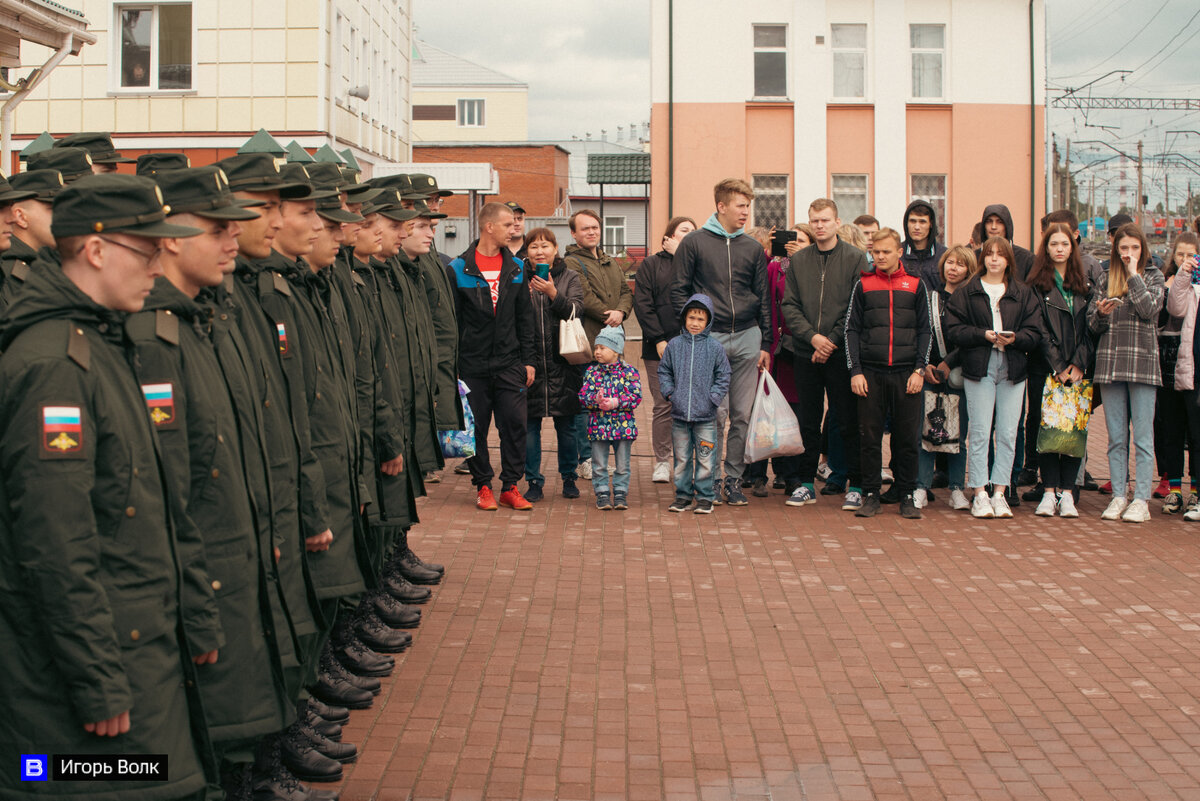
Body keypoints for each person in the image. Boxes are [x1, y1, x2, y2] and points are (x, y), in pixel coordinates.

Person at [0, 175, 218, 800]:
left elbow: (153, 503)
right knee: (100, 780)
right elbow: (55, 543)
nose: (158, 266)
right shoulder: (53, 365)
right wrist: (97, 679)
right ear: (95, 251)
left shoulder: (100, 339)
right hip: (90, 683)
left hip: (135, 652)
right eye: (146, 251)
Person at [124, 167, 306, 793]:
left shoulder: (200, 315)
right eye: (217, 228)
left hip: (235, 537)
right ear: (170, 238)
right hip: (202, 561)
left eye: (237, 225)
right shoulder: (156, 334)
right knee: (212, 704)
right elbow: (169, 484)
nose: (236, 238)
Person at [670, 178, 771, 505]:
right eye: (741, 206)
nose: (746, 212)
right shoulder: (695, 243)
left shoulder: (753, 248)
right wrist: (690, 336)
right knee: (713, 413)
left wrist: (766, 342)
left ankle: (734, 479)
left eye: (748, 206)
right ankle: (709, 479)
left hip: (746, 336)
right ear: (721, 206)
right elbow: (679, 291)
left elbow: (764, 297)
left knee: (742, 414)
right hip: (707, 340)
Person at [447, 201, 537, 511]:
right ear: (489, 227)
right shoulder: (458, 269)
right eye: (508, 224)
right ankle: (483, 485)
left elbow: (525, 317)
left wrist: (529, 361)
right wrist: (453, 367)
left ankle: (510, 486)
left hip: (510, 363)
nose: (514, 229)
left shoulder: (517, 268)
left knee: (515, 424)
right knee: (476, 429)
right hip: (471, 365)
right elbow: (452, 323)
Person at [945, 236, 1042, 519]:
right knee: (980, 431)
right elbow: (954, 329)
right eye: (990, 254)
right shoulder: (968, 290)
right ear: (983, 258)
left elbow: (1034, 332)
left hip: (1013, 367)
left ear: (1009, 260)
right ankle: (979, 492)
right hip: (979, 365)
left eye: (1001, 254)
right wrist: (982, 335)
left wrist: (1016, 339)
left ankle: (1000, 491)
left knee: (1009, 432)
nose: (995, 259)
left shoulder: (1022, 292)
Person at [781, 198, 867, 510]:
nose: (819, 226)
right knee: (808, 421)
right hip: (806, 352)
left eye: (825, 220)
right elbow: (789, 306)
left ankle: (855, 484)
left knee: (847, 420)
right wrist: (813, 338)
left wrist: (829, 341)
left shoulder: (856, 258)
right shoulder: (799, 261)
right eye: (814, 220)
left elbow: (856, 307)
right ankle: (806, 483)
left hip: (842, 353)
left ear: (836, 222)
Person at [845, 228, 931, 518]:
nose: (879, 257)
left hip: (907, 372)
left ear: (899, 252)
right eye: (875, 252)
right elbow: (851, 329)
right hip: (871, 372)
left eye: (885, 251)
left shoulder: (916, 284)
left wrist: (920, 369)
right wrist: (856, 370)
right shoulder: (863, 284)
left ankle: (907, 494)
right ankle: (870, 494)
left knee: (906, 439)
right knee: (868, 437)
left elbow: (925, 330)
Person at [1089, 223, 1165, 523]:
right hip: (1111, 363)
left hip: (1143, 364)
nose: (1128, 253)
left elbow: (1149, 310)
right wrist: (1101, 313)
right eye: (1123, 248)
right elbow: (1093, 325)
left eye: (1134, 248)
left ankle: (1141, 500)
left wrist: (1134, 275)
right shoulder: (1106, 277)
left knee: (1143, 438)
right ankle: (1120, 494)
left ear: (1142, 249)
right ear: (1115, 249)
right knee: (1116, 437)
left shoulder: (1153, 275)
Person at [1026, 222, 1096, 518]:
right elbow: (1039, 329)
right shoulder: (1036, 285)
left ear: (1073, 247)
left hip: (1078, 370)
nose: (1059, 249)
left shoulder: (1085, 284)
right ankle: (1048, 490)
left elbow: (1092, 328)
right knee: (1047, 429)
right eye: (1053, 244)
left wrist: (1078, 364)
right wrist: (1057, 366)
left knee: (1073, 428)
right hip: (1046, 368)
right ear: (1046, 248)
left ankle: (1067, 492)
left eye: (1064, 244)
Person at [743, 223, 814, 497]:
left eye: (802, 241)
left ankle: (790, 474)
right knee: (764, 411)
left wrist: (802, 260)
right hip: (775, 349)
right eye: (792, 240)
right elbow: (760, 285)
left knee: (794, 414)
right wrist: (765, 249)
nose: (795, 244)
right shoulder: (775, 267)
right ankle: (758, 473)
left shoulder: (813, 270)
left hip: (801, 350)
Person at [566, 208, 634, 481]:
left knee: (612, 400)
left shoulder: (610, 261)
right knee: (587, 403)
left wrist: (622, 312)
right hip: (590, 343)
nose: (592, 232)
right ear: (574, 233)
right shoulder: (571, 262)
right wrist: (611, 314)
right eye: (585, 228)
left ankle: (607, 456)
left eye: (595, 227)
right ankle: (585, 458)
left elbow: (626, 291)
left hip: (614, 344)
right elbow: (586, 298)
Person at [523, 227, 585, 502]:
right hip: (530, 365)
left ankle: (569, 477)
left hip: (563, 364)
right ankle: (533, 481)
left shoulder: (569, 276)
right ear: (527, 253)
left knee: (567, 427)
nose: (540, 251)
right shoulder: (517, 277)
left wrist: (551, 292)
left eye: (545, 246)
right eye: (534, 247)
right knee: (529, 428)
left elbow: (575, 310)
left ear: (555, 250)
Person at [634, 215, 696, 483]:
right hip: (658, 346)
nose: (690, 235)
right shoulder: (651, 264)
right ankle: (662, 461)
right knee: (663, 404)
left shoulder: (696, 264)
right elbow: (643, 303)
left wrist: (682, 256)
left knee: (692, 405)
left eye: (694, 232)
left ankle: (687, 460)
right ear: (668, 236)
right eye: (684, 231)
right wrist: (658, 338)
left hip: (692, 344)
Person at [658, 294, 731, 514]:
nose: (695, 323)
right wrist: (670, 393)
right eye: (691, 317)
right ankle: (683, 496)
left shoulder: (715, 348)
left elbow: (724, 375)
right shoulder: (675, 345)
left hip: (706, 416)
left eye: (700, 319)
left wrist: (714, 398)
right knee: (681, 459)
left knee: (706, 459)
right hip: (679, 415)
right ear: (684, 319)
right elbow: (664, 371)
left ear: (708, 321)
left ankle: (706, 498)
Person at [916, 246, 976, 511]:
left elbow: (972, 337)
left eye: (960, 264)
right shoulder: (930, 298)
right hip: (930, 373)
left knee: (957, 433)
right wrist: (927, 364)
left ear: (969, 269)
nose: (954, 268)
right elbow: (922, 332)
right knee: (927, 431)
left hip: (959, 374)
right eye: (950, 262)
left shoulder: (974, 301)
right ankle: (921, 486)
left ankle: (955, 488)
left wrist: (948, 363)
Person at [578, 325, 642, 511]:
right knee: (599, 464)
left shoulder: (629, 371)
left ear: (616, 351)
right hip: (599, 426)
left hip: (623, 427)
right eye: (596, 347)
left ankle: (621, 492)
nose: (597, 352)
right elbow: (583, 396)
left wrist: (616, 402)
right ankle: (602, 492)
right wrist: (594, 400)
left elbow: (635, 395)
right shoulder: (592, 372)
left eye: (602, 348)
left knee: (623, 464)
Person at [1161, 232, 1200, 519]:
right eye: (1181, 255)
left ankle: (1196, 494)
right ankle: (1174, 489)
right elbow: (1175, 307)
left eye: (1191, 255)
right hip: (1171, 366)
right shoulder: (1178, 280)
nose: (1186, 260)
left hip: (1194, 368)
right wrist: (1183, 277)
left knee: (1197, 434)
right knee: (1171, 430)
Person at [901, 200, 947, 290]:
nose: (917, 227)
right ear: (906, 224)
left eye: (922, 222)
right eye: (912, 221)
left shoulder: (944, 255)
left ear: (931, 224)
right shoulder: (896, 253)